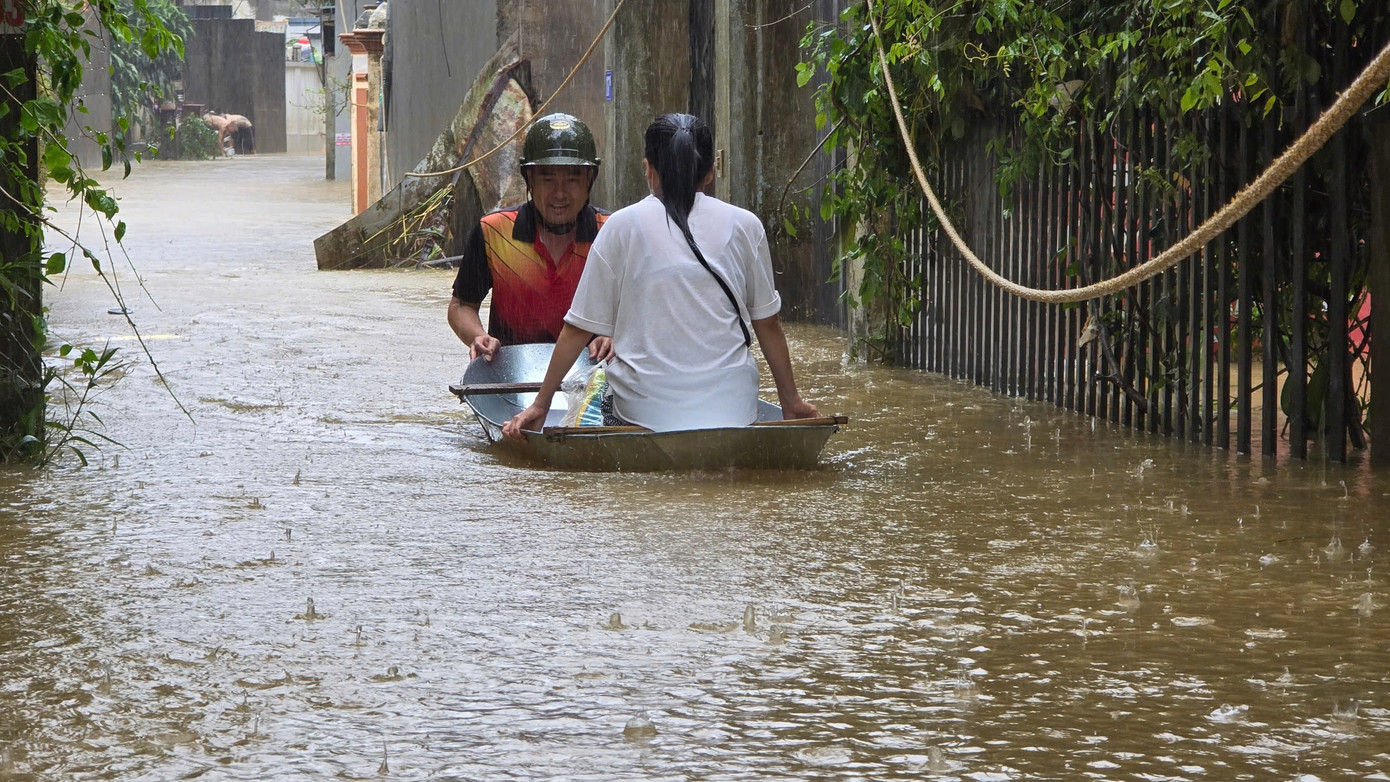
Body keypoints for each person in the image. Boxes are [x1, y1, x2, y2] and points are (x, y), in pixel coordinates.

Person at [502, 113, 819, 439]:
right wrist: (790, 401)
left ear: (648, 169)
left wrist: (540, 406)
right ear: (710, 173)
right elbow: (768, 325)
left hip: (644, 414)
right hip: (734, 410)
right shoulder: (746, 226)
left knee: (601, 384)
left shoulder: (621, 227)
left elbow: (576, 330)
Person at [448, 113, 613, 362]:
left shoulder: (613, 233)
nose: (559, 194)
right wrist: (478, 335)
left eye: (572, 179)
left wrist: (615, 335)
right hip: (511, 378)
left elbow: (642, 311)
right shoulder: (493, 232)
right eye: (547, 179)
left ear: (589, 180)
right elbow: (461, 306)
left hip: (593, 379)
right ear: (529, 179)